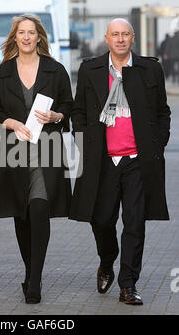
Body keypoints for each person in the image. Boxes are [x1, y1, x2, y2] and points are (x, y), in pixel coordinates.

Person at [69, 18, 171, 305]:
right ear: (107, 38)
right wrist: (84, 139)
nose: (121, 39)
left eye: (125, 34)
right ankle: (107, 260)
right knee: (101, 219)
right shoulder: (91, 69)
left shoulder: (150, 68)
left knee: (135, 223)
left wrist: (157, 142)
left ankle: (128, 284)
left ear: (133, 38)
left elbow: (163, 110)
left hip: (138, 161)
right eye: (115, 34)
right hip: (103, 161)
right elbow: (78, 109)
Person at [0, 14, 73, 304]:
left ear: (39, 37)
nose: (26, 37)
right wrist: (9, 122)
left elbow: (68, 107)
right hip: (14, 151)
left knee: (38, 209)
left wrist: (56, 116)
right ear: (15, 37)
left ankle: (34, 281)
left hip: (46, 151)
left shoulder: (55, 70)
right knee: (21, 216)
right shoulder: (2, 74)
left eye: (31, 32)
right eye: (21, 32)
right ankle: (29, 270)